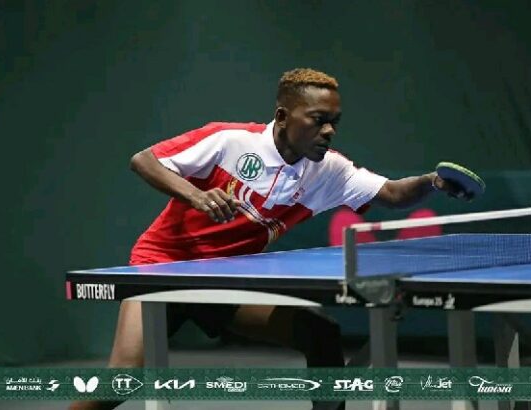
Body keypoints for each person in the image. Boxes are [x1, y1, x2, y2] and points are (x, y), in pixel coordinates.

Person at [70, 68, 469, 410]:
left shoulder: (329, 171)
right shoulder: (230, 141)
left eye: (334, 121)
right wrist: (196, 195)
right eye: (318, 120)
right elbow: (143, 160)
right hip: (163, 267)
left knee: (320, 334)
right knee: (125, 378)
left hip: (223, 279)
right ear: (282, 116)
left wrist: (432, 182)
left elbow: (393, 194)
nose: (328, 131)